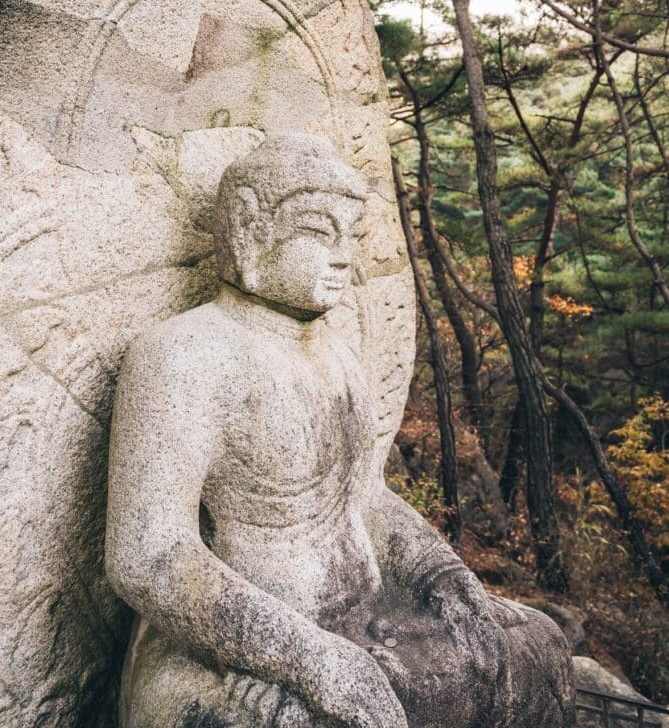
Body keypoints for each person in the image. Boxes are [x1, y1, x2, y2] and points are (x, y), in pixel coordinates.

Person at [106, 133, 575, 728]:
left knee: (539, 651)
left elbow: (367, 501)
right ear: (249, 229)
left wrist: (447, 579)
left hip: (371, 615)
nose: (341, 258)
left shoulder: (338, 353)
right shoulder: (183, 354)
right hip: (238, 646)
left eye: (350, 237)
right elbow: (147, 554)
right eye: (317, 232)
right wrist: (309, 659)